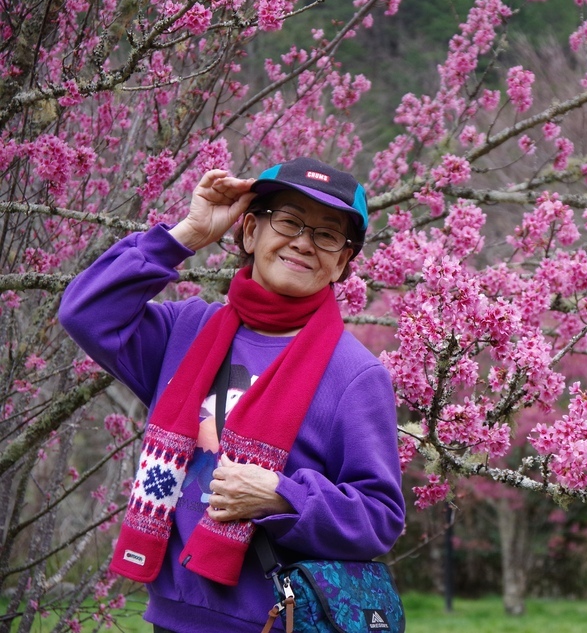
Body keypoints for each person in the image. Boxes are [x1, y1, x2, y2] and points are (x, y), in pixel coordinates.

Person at [59, 158, 405, 632]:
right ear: (250, 231)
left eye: (327, 235)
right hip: (171, 618)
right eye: (288, 221)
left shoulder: (354, 375)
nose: (304, 242)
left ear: (342, 262)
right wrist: (183, 236)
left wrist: (283, 497)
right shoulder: (184, 332)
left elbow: (379, 518)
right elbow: (85, 312)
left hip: (273, 622)